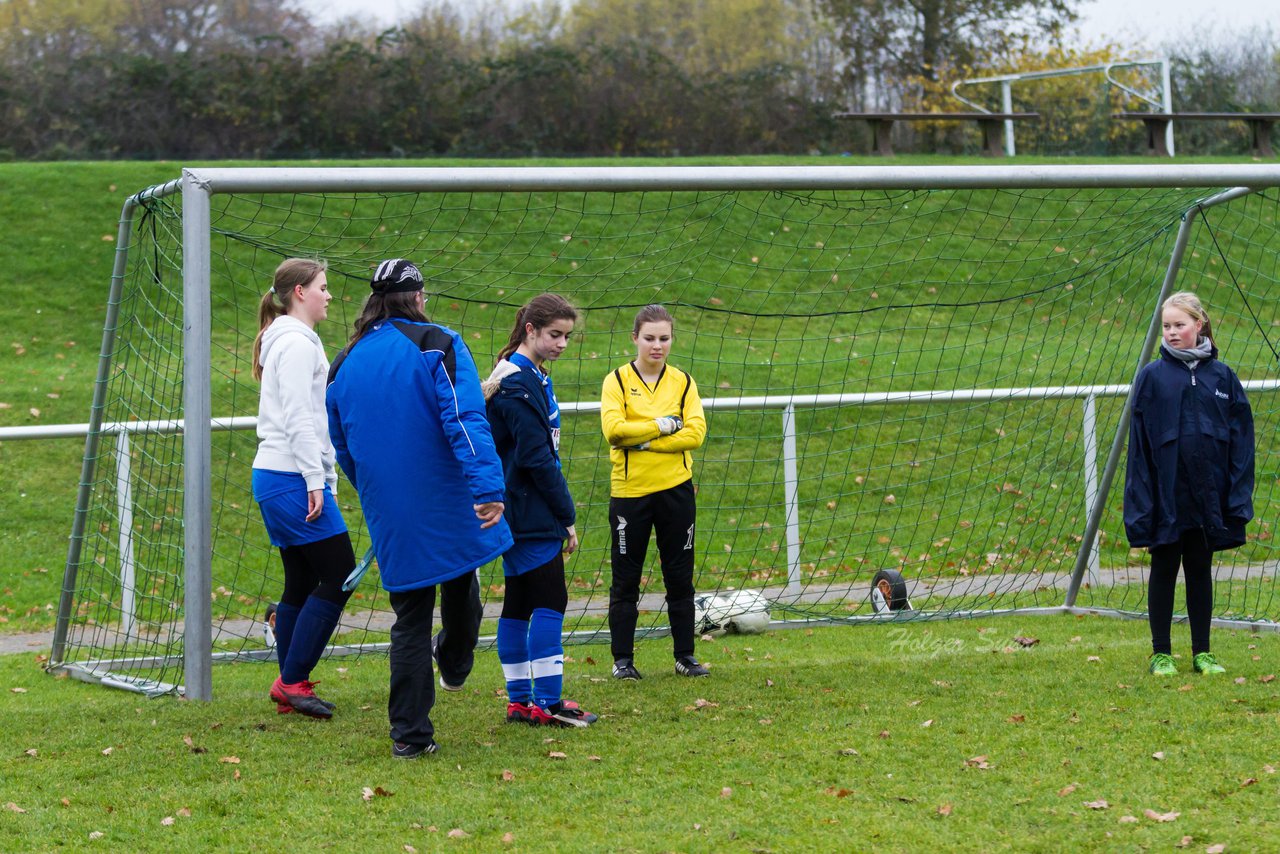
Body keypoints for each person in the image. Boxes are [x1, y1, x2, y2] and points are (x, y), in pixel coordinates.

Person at [326, 259, 512, 758]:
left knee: (411, 617)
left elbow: (344, 446)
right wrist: (488, 487)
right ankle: (453, 664)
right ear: (418, 297)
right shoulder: (438, 342)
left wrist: (374, 490)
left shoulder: (344, 362)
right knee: (460, 591)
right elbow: (466, 418)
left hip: (394, 509)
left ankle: (410, 736)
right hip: (447, 498)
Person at [1124, 291, 1254, 677]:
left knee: (1199, 568)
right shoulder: (1152, 377)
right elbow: (1141, 449)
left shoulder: (1223, 377)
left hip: (1207, 497)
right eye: (1166, 326)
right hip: (1167, 497)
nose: (1172, 332)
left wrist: (1235, 494)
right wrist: (1143, 503)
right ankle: (1160, 653)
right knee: (1164, 568)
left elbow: (1241, 442)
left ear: (1199, 325)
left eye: (1180, 325)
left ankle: (1203, 652)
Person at [483, 293, 598, 728]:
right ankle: (549, 703)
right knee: (551, 599)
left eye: (568, 336)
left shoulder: (521, 373)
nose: (562, 343)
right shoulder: (517, 382)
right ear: (530, 330)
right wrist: (565, 514)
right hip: (528, 509)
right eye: (555, 334)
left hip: (516, 507)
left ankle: (519, 701)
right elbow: (535, 459)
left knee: (519, 601)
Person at [250, 258, 355, 719]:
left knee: (303, 579)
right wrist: (315, 480)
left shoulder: (290, 339)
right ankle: (291, 681)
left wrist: (323, 476)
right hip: (289, 477)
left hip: (283, 477)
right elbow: (296, 416)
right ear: (299, 293)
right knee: (341, 572)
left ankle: (290, 683)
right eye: (323, 287)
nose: (329, 295)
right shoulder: (294, 342)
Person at [600, 304, 709, 679]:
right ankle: (623, 662)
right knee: (625, 579)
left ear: (672, 339)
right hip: (631, 494)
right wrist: (663, 425)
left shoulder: (683, 382)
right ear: (635, 339)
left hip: (676, 493)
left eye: (664, 338)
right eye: (649, 338)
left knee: (680, 577)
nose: (657, 346)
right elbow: (614, 431)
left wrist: (646, 441)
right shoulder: (616, 380)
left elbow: (695, 433)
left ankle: (685, 656)